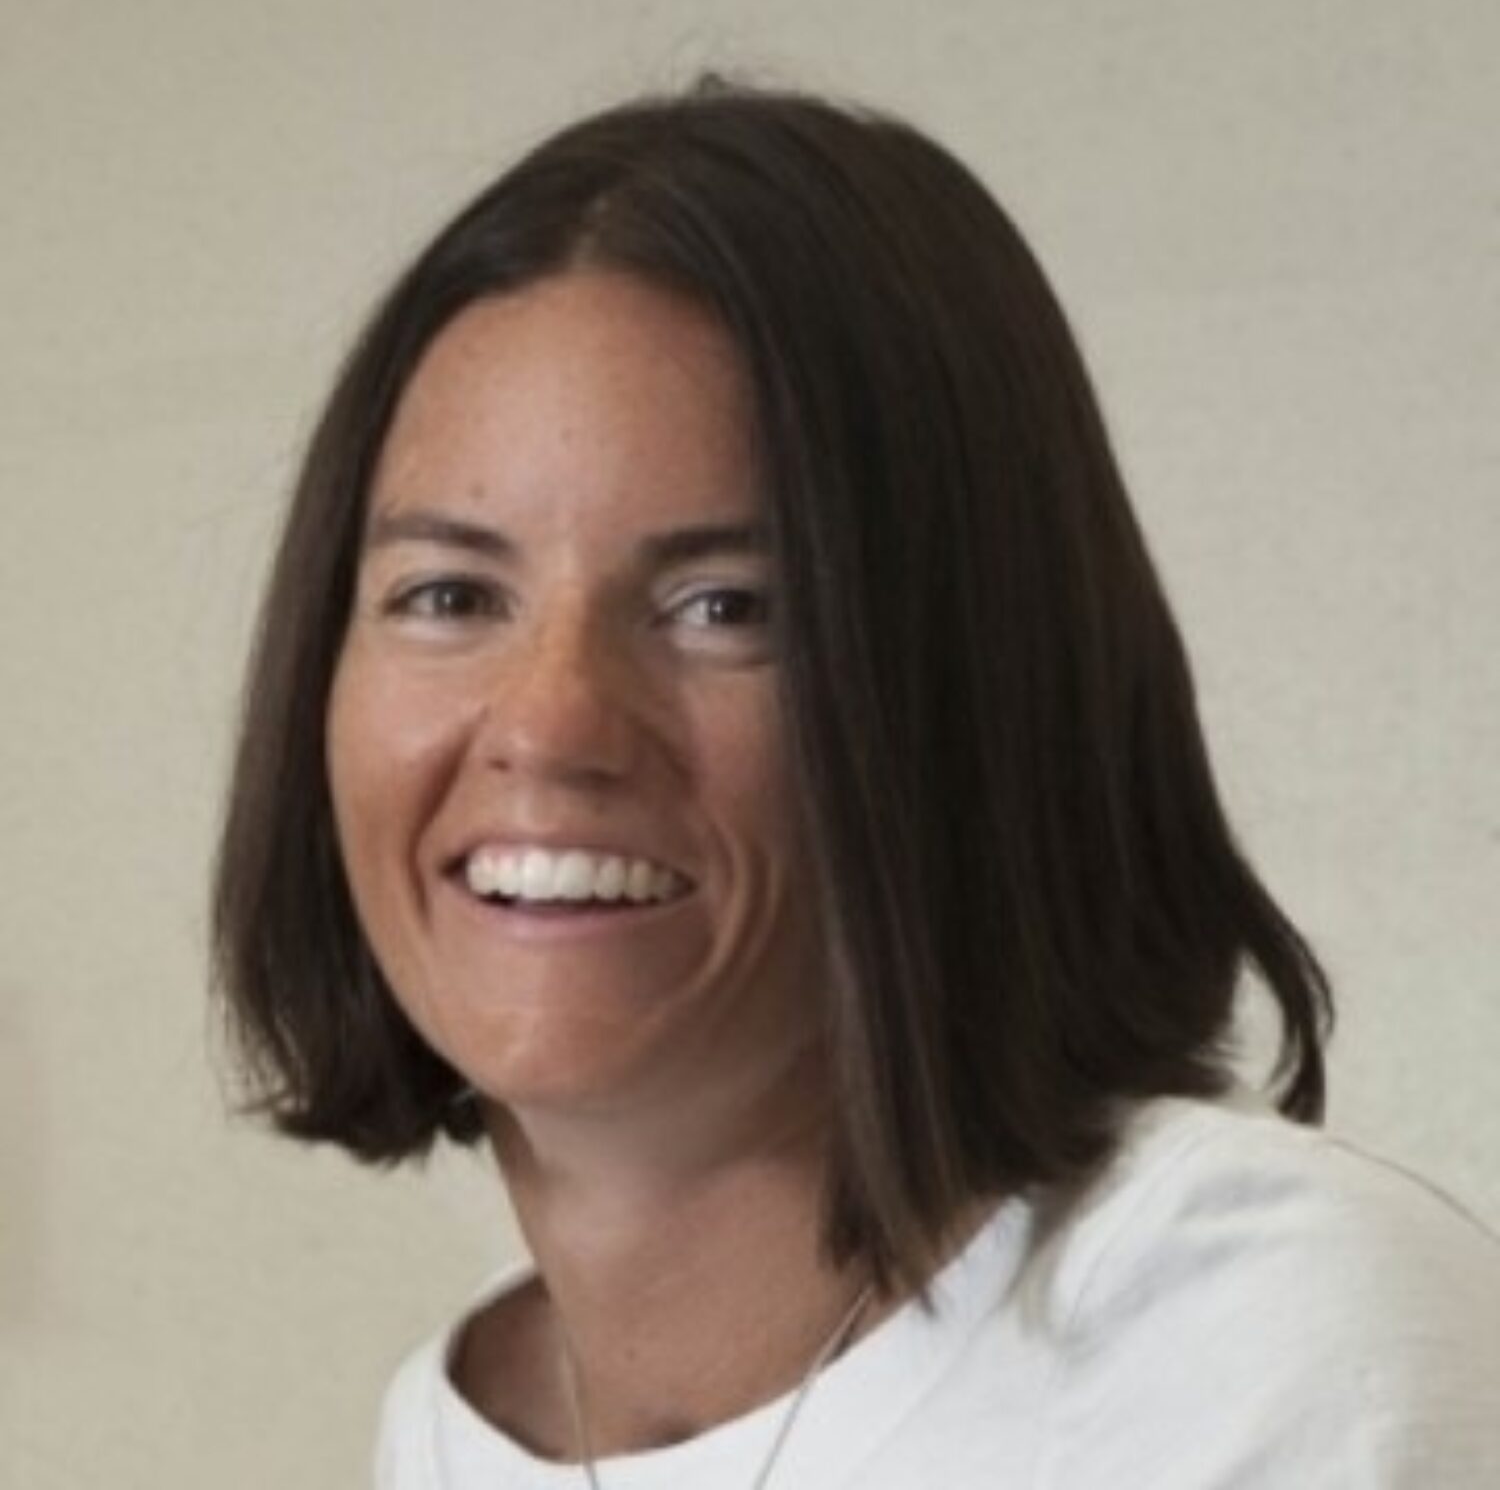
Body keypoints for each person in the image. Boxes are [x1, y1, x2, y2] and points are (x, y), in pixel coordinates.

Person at [212, 81, 1500, 1488]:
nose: (554, 723)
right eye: (451, 592)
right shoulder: (455, 1437)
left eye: (726, 607)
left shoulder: (1283, 1351)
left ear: (980, 682)